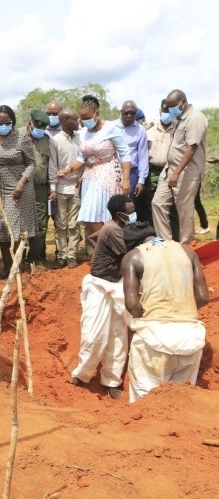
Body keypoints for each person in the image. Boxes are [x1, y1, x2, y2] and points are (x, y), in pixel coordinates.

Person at [122, 236, 208, 403]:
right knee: (181, 402)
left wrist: (151, 314)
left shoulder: (133, 257)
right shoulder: (188, 253)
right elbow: (203, 297)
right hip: (190, 339)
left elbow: (132, 305)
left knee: (145, 401)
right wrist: (180, 311)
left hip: (154, 339)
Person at [70, 195, 135, 400]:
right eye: (130, 212)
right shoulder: (113, 230)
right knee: (95, 334)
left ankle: (112, 380)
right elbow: (130, 254)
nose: (133, 215)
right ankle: (82, 375)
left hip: (116, 285)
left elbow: (92, 237)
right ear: (119, 214)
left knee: (118, 336)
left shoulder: (110, 227)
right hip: (100, 285)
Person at [64, 95, 131, 253]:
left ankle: (115, 251)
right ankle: (110, 251)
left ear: (97, 113)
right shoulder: (84, 132)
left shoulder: (112, 128)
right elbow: (82, 157)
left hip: (107, 174)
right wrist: (69, 169)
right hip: (89, 176)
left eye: (87, 117)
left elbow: (125, 155)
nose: (84, 120)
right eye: (82, 118)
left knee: (100, 214)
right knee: (91, 217)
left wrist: (126, 179)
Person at [151, 90, 208, 245]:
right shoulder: (178, 118)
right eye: (168, 107)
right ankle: (167, 244)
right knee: (158, 203)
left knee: (184, 210)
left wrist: (177, 172)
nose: (170, 110)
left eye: (173, 106)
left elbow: (192, 148)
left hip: (185, 173)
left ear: (183, 101)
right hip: (169, 170)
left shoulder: (195, 118)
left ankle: (186, 247)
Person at [0, 104, 37, 279]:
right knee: (1, 228)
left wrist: (21, 183)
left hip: (18, 188)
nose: (2, 125)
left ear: (12, 122)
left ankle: (17, 266)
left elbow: (32, 163)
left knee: (15, 229)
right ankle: (7, 265)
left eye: (6, 122)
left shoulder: (21, 138)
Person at [49, 108, 82, 268]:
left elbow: (85, 160)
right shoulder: (55, 141)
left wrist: (82, 177)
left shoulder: (80, 138)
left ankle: (72, 255)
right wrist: (53, 188)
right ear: (64, 122)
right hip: (61, 189)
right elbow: (52, 166)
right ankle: (61, 255)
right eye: (75, 119)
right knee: (60, 224)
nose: (78, 122)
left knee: (74, 224)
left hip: (76, 187)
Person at [26, 109, 51, 267]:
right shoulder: (17, 137)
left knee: (41, 224)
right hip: (20, 189)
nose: (40, 129)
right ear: (30, 123)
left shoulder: (47, 140)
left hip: (40, 188)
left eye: (43, 127)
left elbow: (50, 165)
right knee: (21, 223)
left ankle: (34, 258)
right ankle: (18, 258)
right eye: (37, 126)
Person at [119, 100, 149, 222]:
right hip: (114, 172)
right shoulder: (112, 127)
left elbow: (143, 156)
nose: (129, 116)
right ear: (121, 113)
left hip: (132, 174)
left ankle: (129, 236)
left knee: (129, 206)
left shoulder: (140, 130)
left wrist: (141, 181)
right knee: (113, 204)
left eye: (132, 113)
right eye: (126, 113)